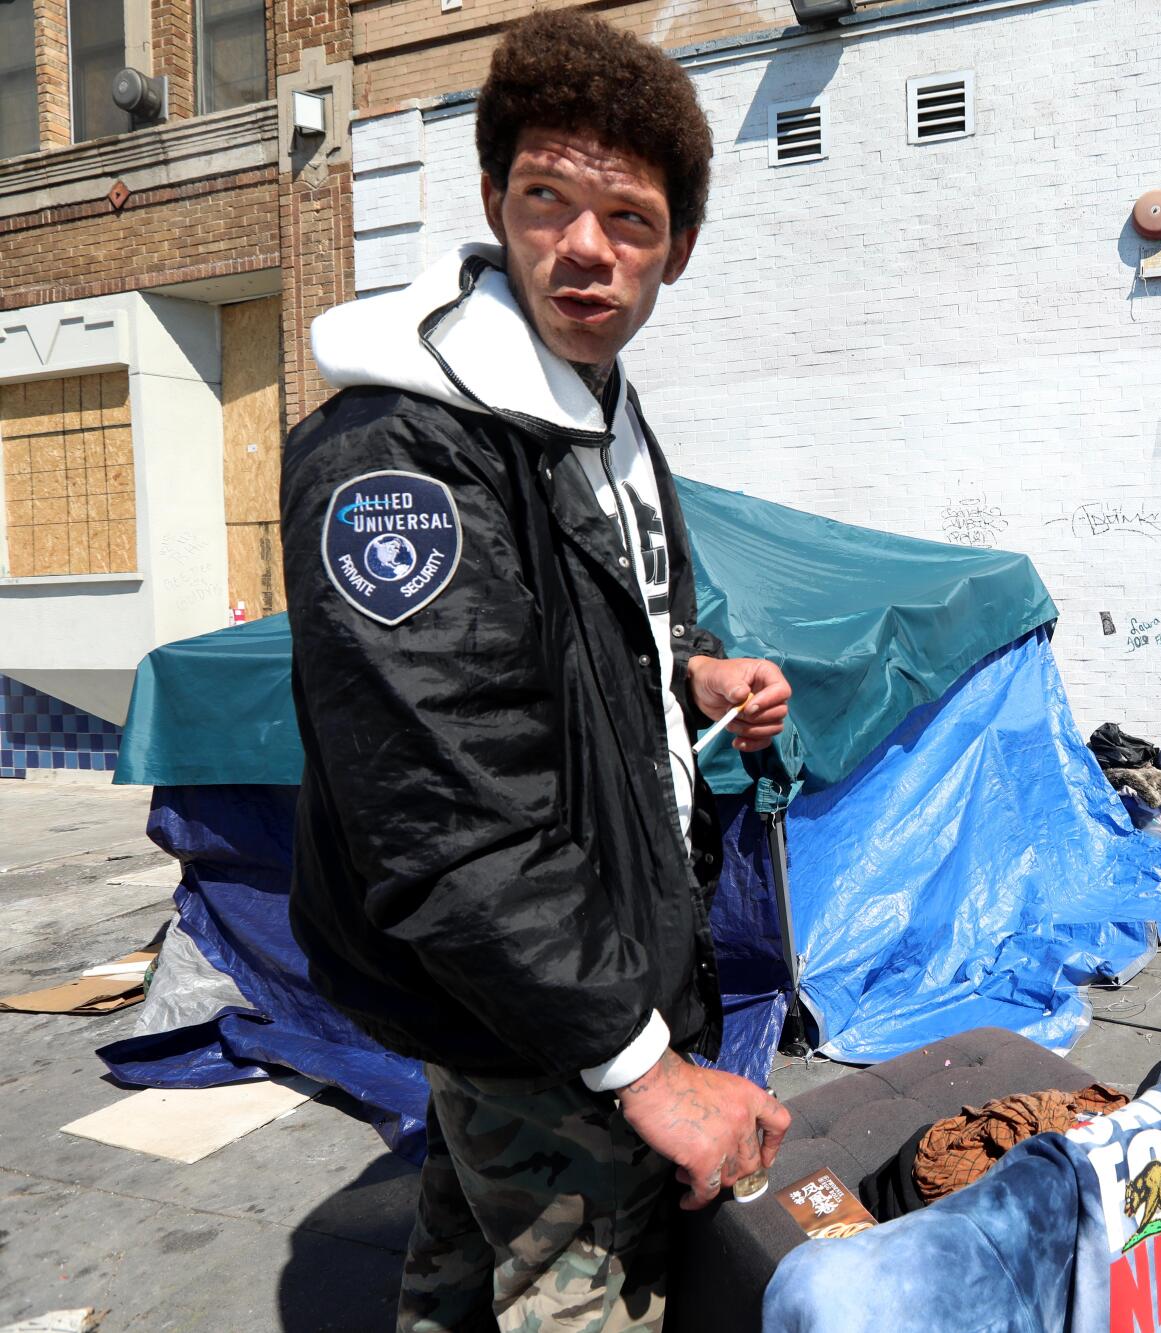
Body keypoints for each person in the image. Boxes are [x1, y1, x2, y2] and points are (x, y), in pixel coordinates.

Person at [279, 13, 792, 1329]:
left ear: (677, 244)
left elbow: (582, 644)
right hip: (550, 1009)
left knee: (467, 1269)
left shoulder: (597, 411)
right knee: (586, 1296)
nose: (585, 247)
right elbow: (447, 810)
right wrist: (644, 1070)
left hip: (562, 979)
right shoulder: (402, 451)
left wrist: (697, 676)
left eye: (627, 218)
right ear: (496, 204)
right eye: (547, 199)